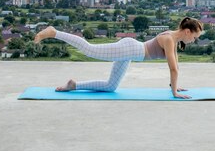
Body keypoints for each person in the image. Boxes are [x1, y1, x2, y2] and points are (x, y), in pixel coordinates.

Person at [34, 17, 204, 99]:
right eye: (195, 37)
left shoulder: (173, 40)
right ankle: (54, 32)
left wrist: (174, 86)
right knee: (89, 49)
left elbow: (176, 68)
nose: (193, 40)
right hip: (129, 49)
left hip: (130, 53)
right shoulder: (169, 39)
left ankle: (74, 85)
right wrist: (174, 92)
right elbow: (173, 68)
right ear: (188, 31)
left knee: (110, 87)